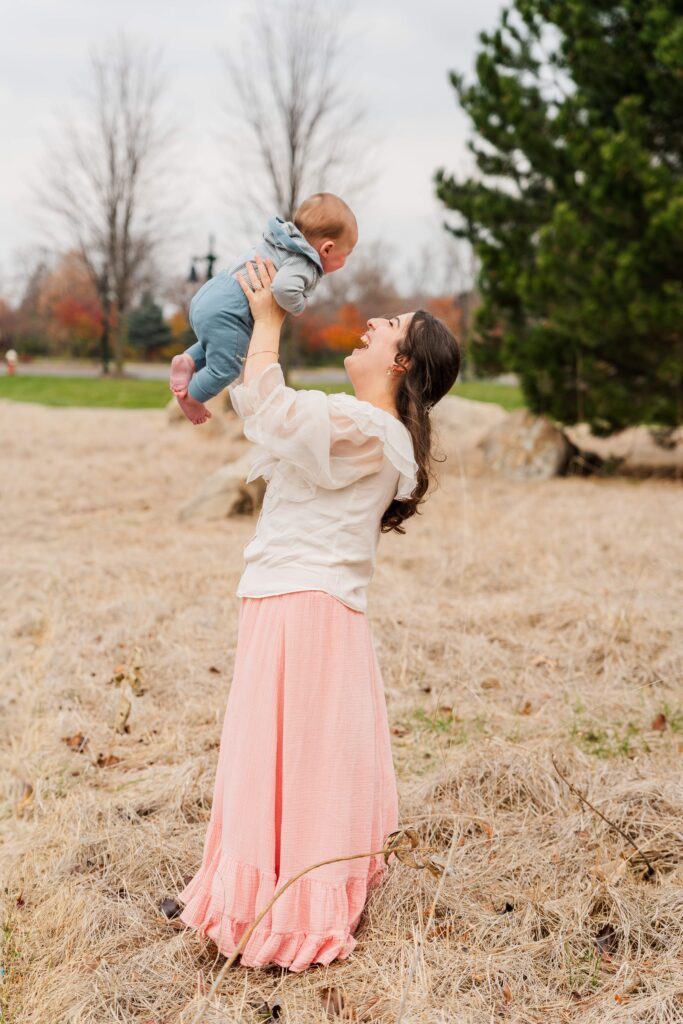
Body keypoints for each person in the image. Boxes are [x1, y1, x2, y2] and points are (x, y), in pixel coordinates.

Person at [178, 256, 461, 972]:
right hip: (283, 597)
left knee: (299, 760)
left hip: (308, 607)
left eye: (388, 326)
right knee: (273, 754)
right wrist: (243, 331)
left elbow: (272, 408)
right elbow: (264, 410)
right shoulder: (346, 418)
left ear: (402, 362)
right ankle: (265, 891)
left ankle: (292, 910)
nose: (368, 323)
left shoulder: (373, 432)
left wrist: (270, 321)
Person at [169, 192, 358, 425]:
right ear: (327, 249)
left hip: (211, 294)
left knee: (221, 343)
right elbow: (283, 289)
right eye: (346, 255)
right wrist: (298, 305)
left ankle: (188, 360)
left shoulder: (279, 241)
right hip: (231, 308)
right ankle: (193, 397)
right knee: (227, 367)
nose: (345, 263)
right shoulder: (305, 263)